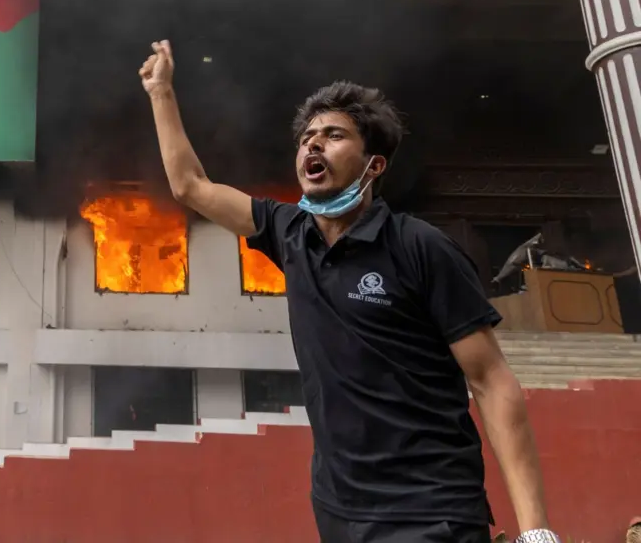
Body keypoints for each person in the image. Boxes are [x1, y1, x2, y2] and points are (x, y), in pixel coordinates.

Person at [140, 41, 556, 543]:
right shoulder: (288, 232)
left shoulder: (420, 247)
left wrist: (536, 531)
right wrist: (161, 92)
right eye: (307, 138)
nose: (313, 145)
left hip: (429, 510)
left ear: (374, 165)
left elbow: (491, 379)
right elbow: (190, 185)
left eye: (334, 135)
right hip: (338, 511)